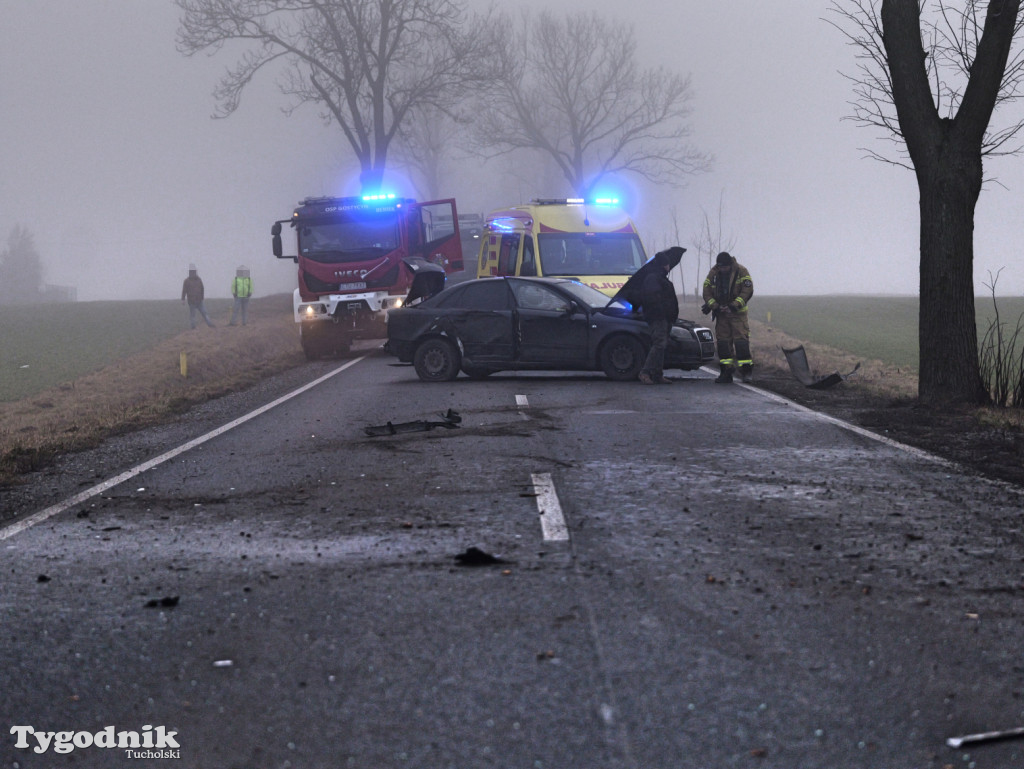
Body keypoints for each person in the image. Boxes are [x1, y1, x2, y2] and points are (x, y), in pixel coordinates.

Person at [702, 251, 754, 383]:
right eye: (721, 267)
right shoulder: (714, 273)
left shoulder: (741, 271)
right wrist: (714, 306)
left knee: (741, 341)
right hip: (721, 314)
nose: (723, 270)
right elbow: (707, 290)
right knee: (723, 343)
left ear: (730, 264)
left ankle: (746, 372)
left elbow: (747, 290)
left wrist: (733, 306)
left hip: (738, 314)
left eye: (725, 267)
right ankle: (726, 371)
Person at [638, 246, 685, 385]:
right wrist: (662, 314)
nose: (668, 266)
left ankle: (657, 374)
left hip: (665, 317)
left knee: (661, 346)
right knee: (659, 344)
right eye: (667, 264)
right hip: (658, 318)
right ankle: (645, 372)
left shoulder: (660, 278)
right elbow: (653, 299)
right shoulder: (653, 279)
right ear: (663, 265)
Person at [181, 264, 215, 328]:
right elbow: (184, 291)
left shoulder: (199, 279)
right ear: (190, 272)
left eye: (193, 271)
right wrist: (183, 299)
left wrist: (202, 297)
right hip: (192, 301)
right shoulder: (186, 281)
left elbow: (202, 288)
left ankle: (210, 324)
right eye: (191, 271)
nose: (193, 273)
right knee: (192, 315)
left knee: (205, 313)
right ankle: (193, 327)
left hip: (200, 301)